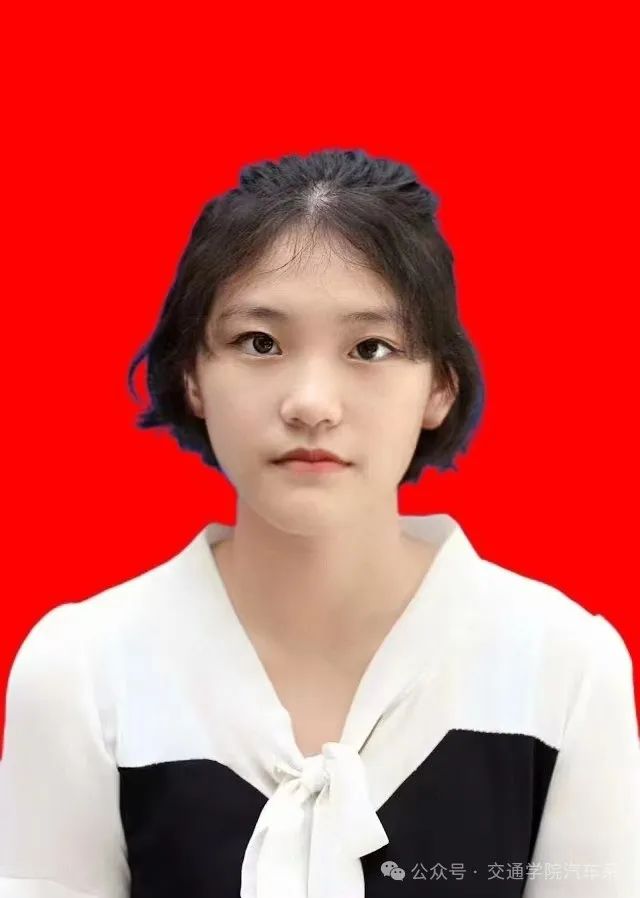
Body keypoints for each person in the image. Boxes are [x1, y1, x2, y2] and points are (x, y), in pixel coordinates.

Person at [1, 148, 638, 897]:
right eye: (259, 343)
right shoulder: (81, 672)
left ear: (440, 386)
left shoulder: (565, 671)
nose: (310, 402)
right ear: (191, 375)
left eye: (370, 348)